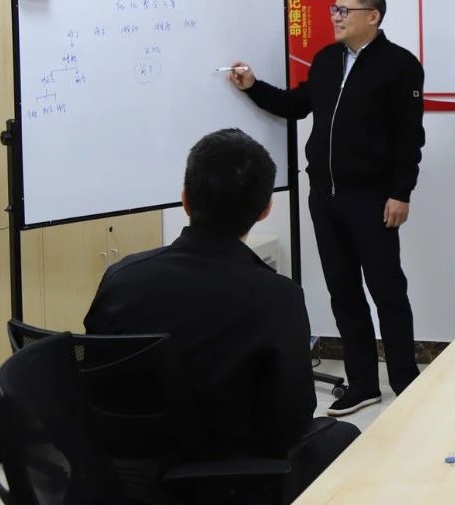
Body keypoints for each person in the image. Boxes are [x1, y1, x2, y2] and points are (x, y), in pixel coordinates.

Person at [85, 129, 360, 500]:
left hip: (122, 477)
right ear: (265, 209)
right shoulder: (277, 298)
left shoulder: (121, 277)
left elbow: (94, 382)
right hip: (226, 484)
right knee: (343, 436)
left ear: (185, 200)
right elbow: (291, 421)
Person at [228, 0, 424, 415]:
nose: (335, 17)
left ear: (372, 16)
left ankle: (406, 379)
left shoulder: (399, 65)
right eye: (334, 9)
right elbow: (296, 104)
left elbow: (410, 137)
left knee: (387, 290)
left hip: (373, 199)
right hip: (325, 197)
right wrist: (252, 86)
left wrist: (400, 193)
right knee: (343, 292)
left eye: (344, 11)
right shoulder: (326, 60)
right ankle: (363, 384)